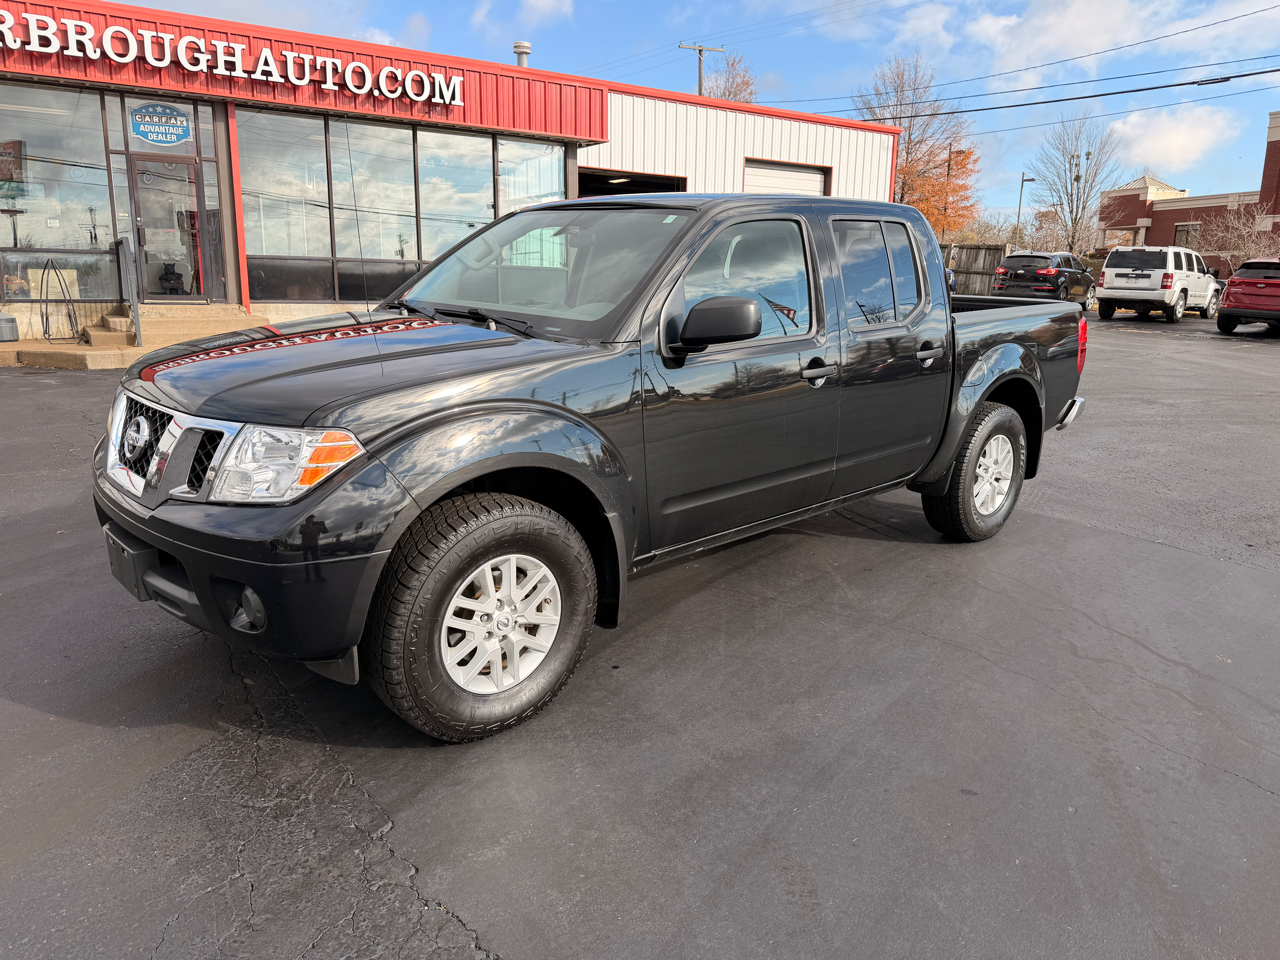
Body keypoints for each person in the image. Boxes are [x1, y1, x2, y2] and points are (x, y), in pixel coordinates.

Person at [300, 515, 328, 582]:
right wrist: (308, 526)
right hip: (305, 545)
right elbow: (300, 532)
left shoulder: (317, 526)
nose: (311, 519)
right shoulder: (303, 526)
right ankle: (307, 577)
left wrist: (323, 525)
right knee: (306, 561)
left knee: (316, 561)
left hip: (315, 545)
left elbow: (325, 531)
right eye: (310, 518)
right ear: (306, 519)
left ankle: (318, 576)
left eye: (312, 518)